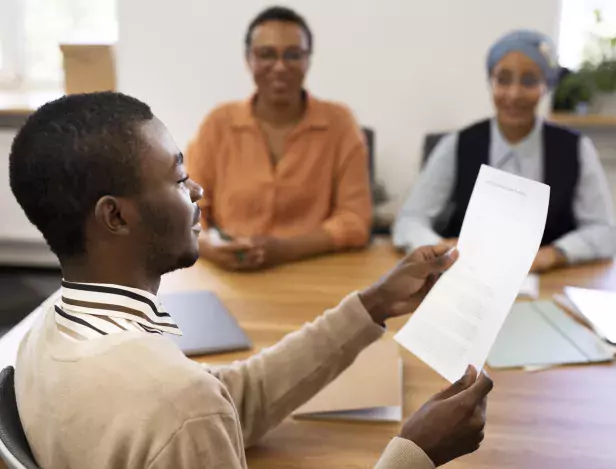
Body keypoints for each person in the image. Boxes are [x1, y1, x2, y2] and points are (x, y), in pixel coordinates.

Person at [10, 92, 492, 469]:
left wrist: (373, 304)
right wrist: (416, 451)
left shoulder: (47, 332)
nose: (197, 190)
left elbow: (230, 402)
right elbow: (197, 411)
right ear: (114, 216)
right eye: (179, 180)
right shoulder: (177, 404)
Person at [393, 29, 616, 273]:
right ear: (491, 82)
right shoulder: (458, 144)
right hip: (465, 280)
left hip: (545, 283)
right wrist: (440, 248)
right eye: (503, 79)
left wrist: (554, 254)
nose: (514, 94)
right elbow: (409, 222)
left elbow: (604, 232)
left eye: (529, 81)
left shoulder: (576, 149)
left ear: (546, 86)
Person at [187, 6, 372, 271]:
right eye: (266, 55)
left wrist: (286, 250)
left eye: (293, 55)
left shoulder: (340, 123)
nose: (280, 66)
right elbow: (189, 210)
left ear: (308, 60)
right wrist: (208, 246)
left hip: (314, 269)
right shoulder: (218, 123)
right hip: (229, 271)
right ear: (248, 59)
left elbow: (355, 220)